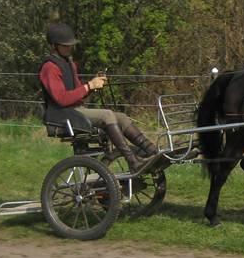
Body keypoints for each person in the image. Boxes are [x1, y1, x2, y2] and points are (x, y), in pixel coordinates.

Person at [38, 22, 157, 174]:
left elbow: (77, 92)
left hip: (74, 111)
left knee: (120, 116)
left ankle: (152, 150)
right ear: (54, 45)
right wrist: (89, 86)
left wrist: (94, 85)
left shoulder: (69, 63)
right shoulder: (50, 67)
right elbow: (61, 99)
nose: (69, 48)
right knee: (107, 115)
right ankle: (132, 161)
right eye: (65, 45)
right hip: (61, 116)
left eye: (71, 45)